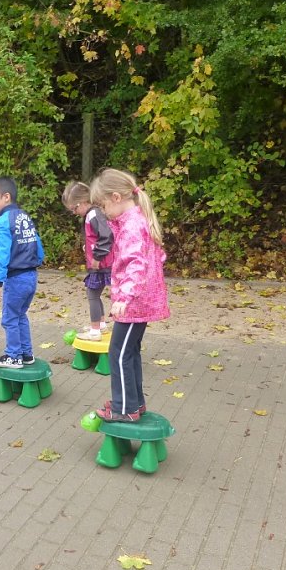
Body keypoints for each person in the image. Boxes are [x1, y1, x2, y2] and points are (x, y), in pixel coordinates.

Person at [91, 169, 170, 422]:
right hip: (140, 300)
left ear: (116, 197)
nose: (103, 212)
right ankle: (134, 402)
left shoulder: (132, 226)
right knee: (130, 351)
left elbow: (136, 264)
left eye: (103, 205)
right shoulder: (134, 219)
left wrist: (124, 297)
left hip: (134, 303)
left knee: (118, 353)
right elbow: (154, 257)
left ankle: (124, 408)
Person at [0, 176, 44, 368]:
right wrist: (38, 260)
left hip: (16, 278)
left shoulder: (3, 222)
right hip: (31, 276)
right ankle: (26, 354)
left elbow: (0, 253)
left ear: (6, 197)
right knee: (20, 315)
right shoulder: (24, 216)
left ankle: (13, 356)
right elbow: (36, 242)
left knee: (9, 318)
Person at [62, 180, 114, 341]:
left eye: (75, 208)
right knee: (95, 293)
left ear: (84, 201)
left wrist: (97, 257)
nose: (74, 212)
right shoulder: (92, 214)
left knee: (92, 294)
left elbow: (106, 236)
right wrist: (89, 247)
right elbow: (95, 236)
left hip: (102, 265)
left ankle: (95, 331)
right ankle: (101, 325)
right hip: (101, 263)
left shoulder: (94, 214)